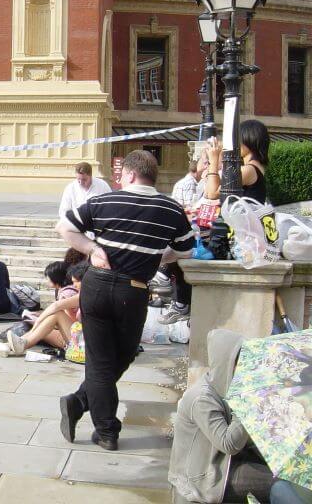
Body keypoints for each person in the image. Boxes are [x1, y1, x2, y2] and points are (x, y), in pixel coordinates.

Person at [56, 150, 194, 451]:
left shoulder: (105, 201)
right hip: (133, 291)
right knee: (118, 356)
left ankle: (80, 402)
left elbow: (65, 227)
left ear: (129, 175)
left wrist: (91, 248)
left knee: (105, 360)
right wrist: (158, 257)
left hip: (97, 286)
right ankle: (106, 430)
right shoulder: (171, 209)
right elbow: (185, 250)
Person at [169, 329, 277, 503]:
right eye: (241, 362)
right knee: (278, 486)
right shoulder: (202, 399)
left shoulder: (227, 388)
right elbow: (229, 444)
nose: (247, 368)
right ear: (226, 363)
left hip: (225, 464)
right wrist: (248, 404)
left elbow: (247, 441)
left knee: (279, 470)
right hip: (202, 479)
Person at [0, 261, 86, 357]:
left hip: (81, 341)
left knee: (51, 318)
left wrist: (38, 322)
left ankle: (14, 345)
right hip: (79, 336)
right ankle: (8, 346)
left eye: (76, 281)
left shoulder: (70, 293)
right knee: (44, 323)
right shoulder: (80, 293)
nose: (74, 284)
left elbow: (58, 309)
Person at [205, 119, 270, 203]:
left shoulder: (248, 170)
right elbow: (209, 191)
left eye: (237, 140)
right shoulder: (254, 167)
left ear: (249, 140)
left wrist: (213, 160)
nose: (235, 144)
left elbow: (212, 194)